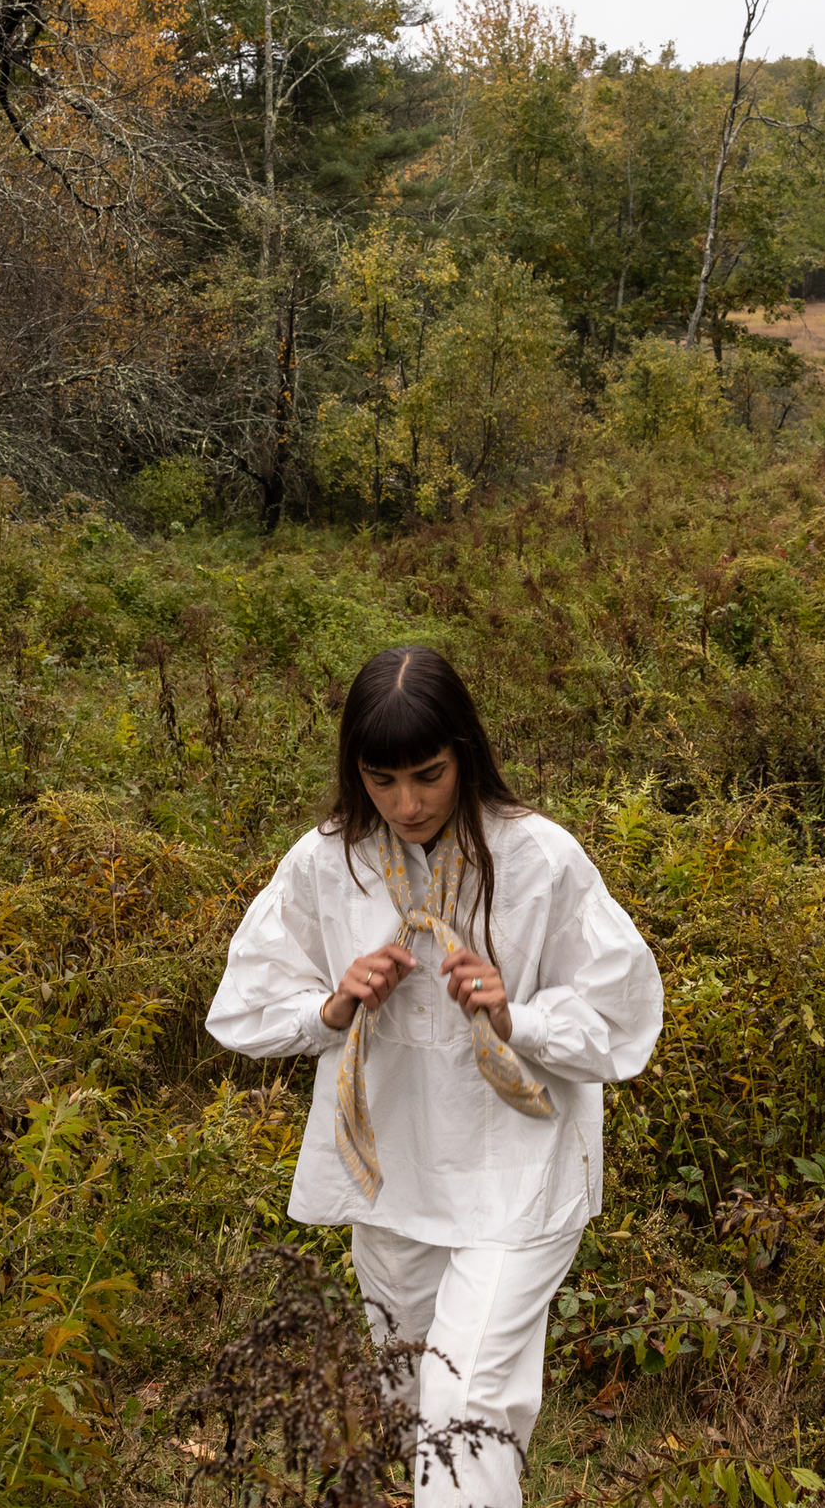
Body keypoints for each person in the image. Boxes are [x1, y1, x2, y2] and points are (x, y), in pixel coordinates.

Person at [206, 645, 664, 1508]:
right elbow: (242, 1007)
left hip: (519, 1172)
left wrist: (516, 1015)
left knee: (467, 1401)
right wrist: (333, 1005)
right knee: (419, 1404)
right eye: (381, 779)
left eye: (428, 774)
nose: (407, 803)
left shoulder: (537, 858)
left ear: (466, 753)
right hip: (395, 1176)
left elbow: (625, 1016)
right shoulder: (331, 860)